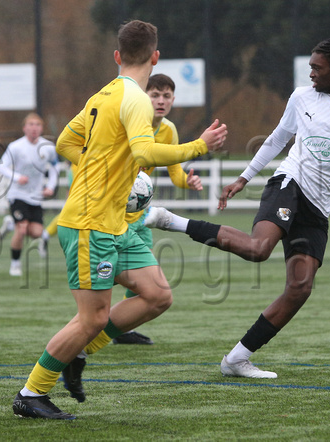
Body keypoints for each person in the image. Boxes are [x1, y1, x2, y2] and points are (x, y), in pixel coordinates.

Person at [145, 34, 330, 379]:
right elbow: (277, 139)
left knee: (300, 288)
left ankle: (236, 359)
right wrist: (243, 178)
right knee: (258, 249)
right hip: (289, 184)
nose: (311, 73)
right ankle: (170, 220)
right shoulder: (301, 97)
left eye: (318, 67)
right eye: (310, 67)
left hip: (318, 207)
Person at [12, 20, 227, 420]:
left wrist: (99, 167)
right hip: (90, 222)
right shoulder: (137, 100)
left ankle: (77, 353)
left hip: (117, 224)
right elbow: (145, 153)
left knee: (157, 294)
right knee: (92, 317)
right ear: (155, 56)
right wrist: (200, 145)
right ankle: (31, 393)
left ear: (117, 56)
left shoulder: (103, 94)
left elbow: (64, 143)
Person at [114, 73, 203, 345]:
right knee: (109, 274)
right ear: (144, 97)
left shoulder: (169, 130)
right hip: (112, 215)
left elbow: (174, 174)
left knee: (144, 272)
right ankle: (91, 327)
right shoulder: (129, 122)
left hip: (139, 216)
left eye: (166, 96)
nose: (160, 101)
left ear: (173, 100)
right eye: (155, 95)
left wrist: (186, 182)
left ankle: (122, 330)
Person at [0, 113, 59, 276]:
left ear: (41, 128)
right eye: (31, 124)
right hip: (17, 194)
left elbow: (54, 168)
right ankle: (15, 265)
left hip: (36, 196)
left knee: (38, 233)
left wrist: (51, 187)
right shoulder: (16, 147)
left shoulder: (48, 147)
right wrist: (17, 177)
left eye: (37, 124)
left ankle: (10, 224)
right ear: (24, 128)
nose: (34, 128)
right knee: (22, 229)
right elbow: (1, 167)